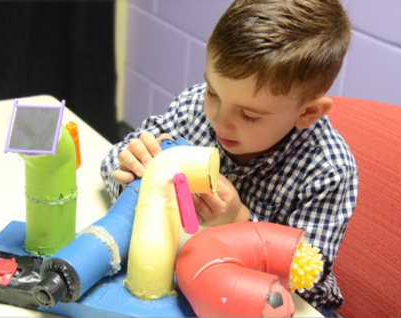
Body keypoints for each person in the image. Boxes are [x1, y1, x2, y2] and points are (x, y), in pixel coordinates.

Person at [101, 0, 357, 316]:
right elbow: (111, 161)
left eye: (249, 115)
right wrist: (134, 172)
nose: (219, 119)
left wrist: (237, 221)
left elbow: (306, 279)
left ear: (307, 112)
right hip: (183, 278)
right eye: (213, 92)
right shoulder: (195, 107)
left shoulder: (328, 171)